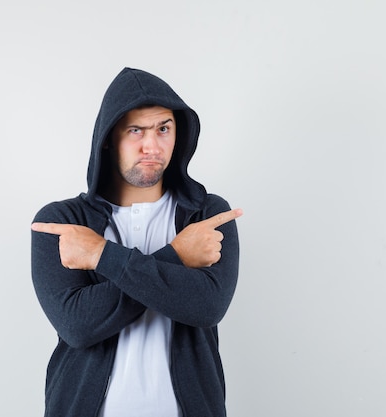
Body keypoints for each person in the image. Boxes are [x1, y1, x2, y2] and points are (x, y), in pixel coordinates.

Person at [31, 67, 242, 417]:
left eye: (163, 129)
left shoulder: (206, 215)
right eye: (135, 130)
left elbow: (206, 307)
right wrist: (177, 256)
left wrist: (101, 255)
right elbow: (78, 326)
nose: (151, 146)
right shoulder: (63, 222)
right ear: (109, 138)